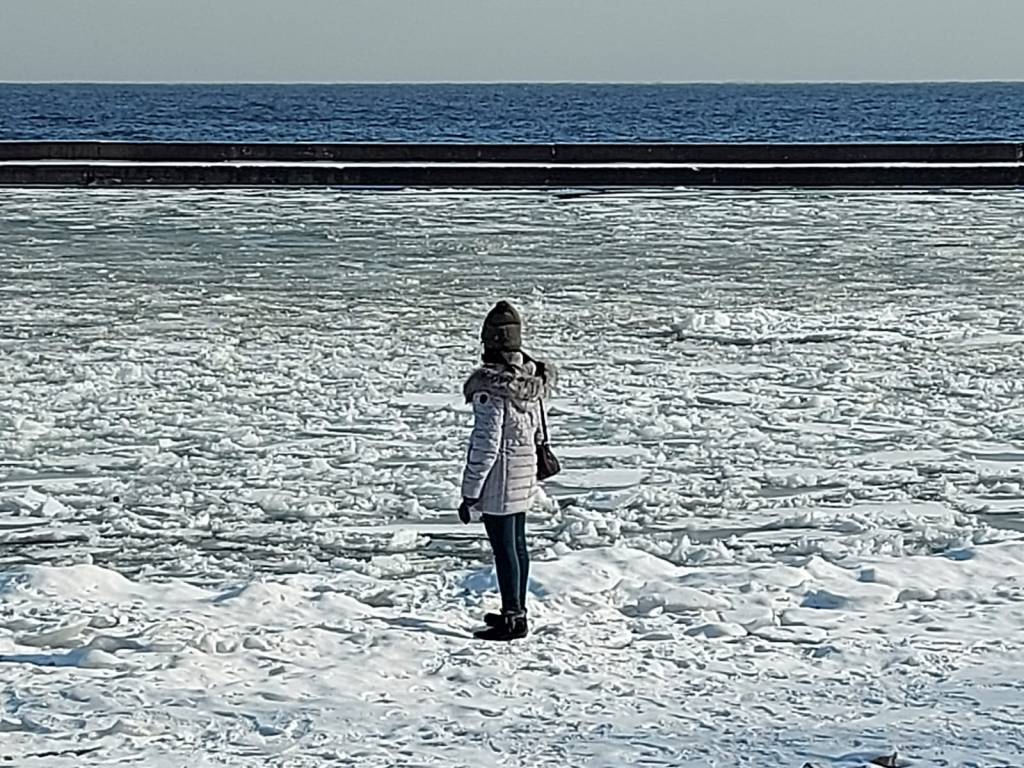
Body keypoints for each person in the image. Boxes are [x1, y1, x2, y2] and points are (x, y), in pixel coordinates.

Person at [459, 300, 556, 642]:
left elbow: (486, 446)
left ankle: (513, 619)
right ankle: (517, 610)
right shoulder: (530, 382)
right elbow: (539, 432)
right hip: (523, 473)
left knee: (504, 549)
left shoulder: (491, 390)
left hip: (500, 479)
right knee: (518, 544)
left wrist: (470, 493)